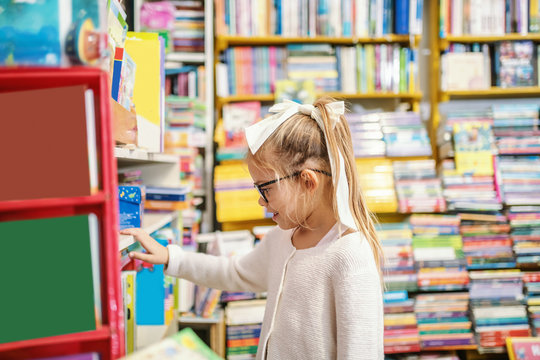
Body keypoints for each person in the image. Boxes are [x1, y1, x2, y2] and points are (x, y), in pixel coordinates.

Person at [121, 96, 384, 359]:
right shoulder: (282, 238)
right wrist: (170, 257)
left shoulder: (351, 257)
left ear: (307, 181)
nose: (261, 200)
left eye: (265, 189)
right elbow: (233, 273)